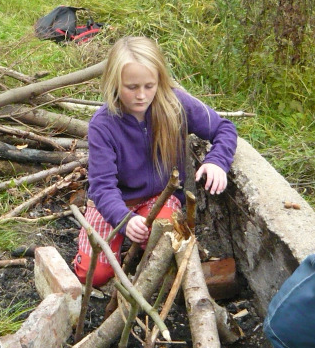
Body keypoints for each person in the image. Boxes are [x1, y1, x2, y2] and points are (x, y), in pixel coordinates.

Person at [72, 36, 237, 286]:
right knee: (94, 276)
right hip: (113, 204)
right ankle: (94, 247)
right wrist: (125, 220)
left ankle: (143, 252)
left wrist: (217, 161)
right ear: (114, 82)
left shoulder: (175, 104)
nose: (141, 95)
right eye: (131, 87)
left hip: (159, 198)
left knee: (166, 252)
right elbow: (103, 187)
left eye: (149, 86)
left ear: (159, 80)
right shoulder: (103, 125)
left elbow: (224, 128)